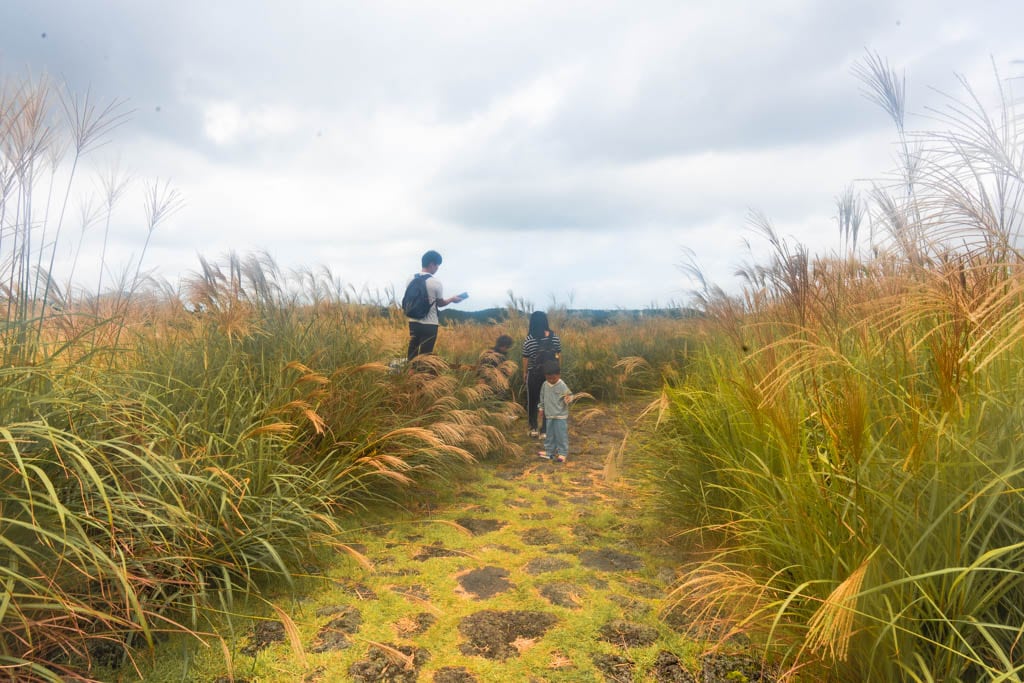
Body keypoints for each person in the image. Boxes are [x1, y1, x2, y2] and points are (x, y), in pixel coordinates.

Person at [406, 250, 466, 361]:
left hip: (413, 322)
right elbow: (440, 303)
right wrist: (452, 299)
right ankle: (421, 376)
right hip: (429, 324)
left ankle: (409, 375)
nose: (437, 268)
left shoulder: (410, 279)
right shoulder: (435, 282)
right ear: (432, 264)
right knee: (424, 358)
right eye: (437, 265)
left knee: (412, 352)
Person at [521, 311, 561, 438]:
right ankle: (544, 430)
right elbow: (559, 355)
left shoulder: (529, 338)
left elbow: (526, 357)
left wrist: (524, 372)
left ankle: (533, 428)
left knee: (532, 401)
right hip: (551, 375)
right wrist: (558, 372)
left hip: (534, 374)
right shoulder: (554, 337)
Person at [537, 360, 573, 463]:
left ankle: (562, 453)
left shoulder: (562, 384)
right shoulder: (545, 384)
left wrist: (568, 399)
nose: (551, 380)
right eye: (548, 378)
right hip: (549, 415)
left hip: (560, 416)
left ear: (559, 375)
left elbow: (570, 395)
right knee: (550, 434)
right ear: (545, 376)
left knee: (561, 435)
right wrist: (541, 408)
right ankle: (550, 452)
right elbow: (542, 397)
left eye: (554, 378)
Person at [477, 334, 515, 399]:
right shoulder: (490, 354)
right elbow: (482, 369)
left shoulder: (503, 354)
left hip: (500, 383)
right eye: (506, 347)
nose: (506, 349)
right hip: (489, 382)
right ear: (502, 345)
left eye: (508, 347)